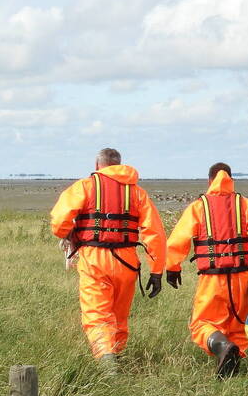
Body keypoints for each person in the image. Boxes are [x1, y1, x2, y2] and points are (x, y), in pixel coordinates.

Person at [50, 148, 167, 373]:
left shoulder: (84, 186)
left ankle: (108, 365)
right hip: (127, 261)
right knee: (119, 316)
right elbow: (155, 233)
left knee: (98, 315)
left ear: (97, 165)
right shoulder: (137, 193)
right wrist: (157, 271)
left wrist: (70, 233)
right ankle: (115, 355)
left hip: (94, 259)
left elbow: (58, 223)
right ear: (119, 164)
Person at [165, 162, 248, 378]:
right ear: (231, 180)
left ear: (209, 181)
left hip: (212, 279)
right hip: (243, 278)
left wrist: (172, 267)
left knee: (202, 324)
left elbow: (178, 239)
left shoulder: (199, 206)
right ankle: (232, 361)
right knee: (240, 325)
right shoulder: (246, 205)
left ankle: (223, 348)